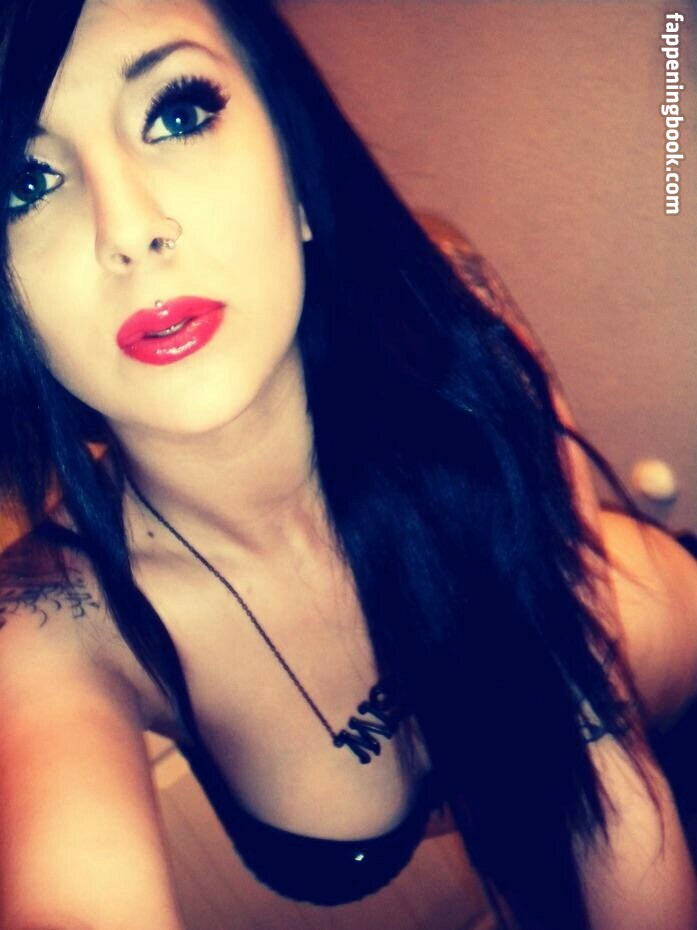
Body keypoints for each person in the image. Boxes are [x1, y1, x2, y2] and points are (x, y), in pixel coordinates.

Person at [0, 1, 696, 928]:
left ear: (295, 164)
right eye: (23, 182)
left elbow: (596, 756)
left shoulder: (437, 326)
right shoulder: (51, 628)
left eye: (178, 112)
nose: (128, 229)